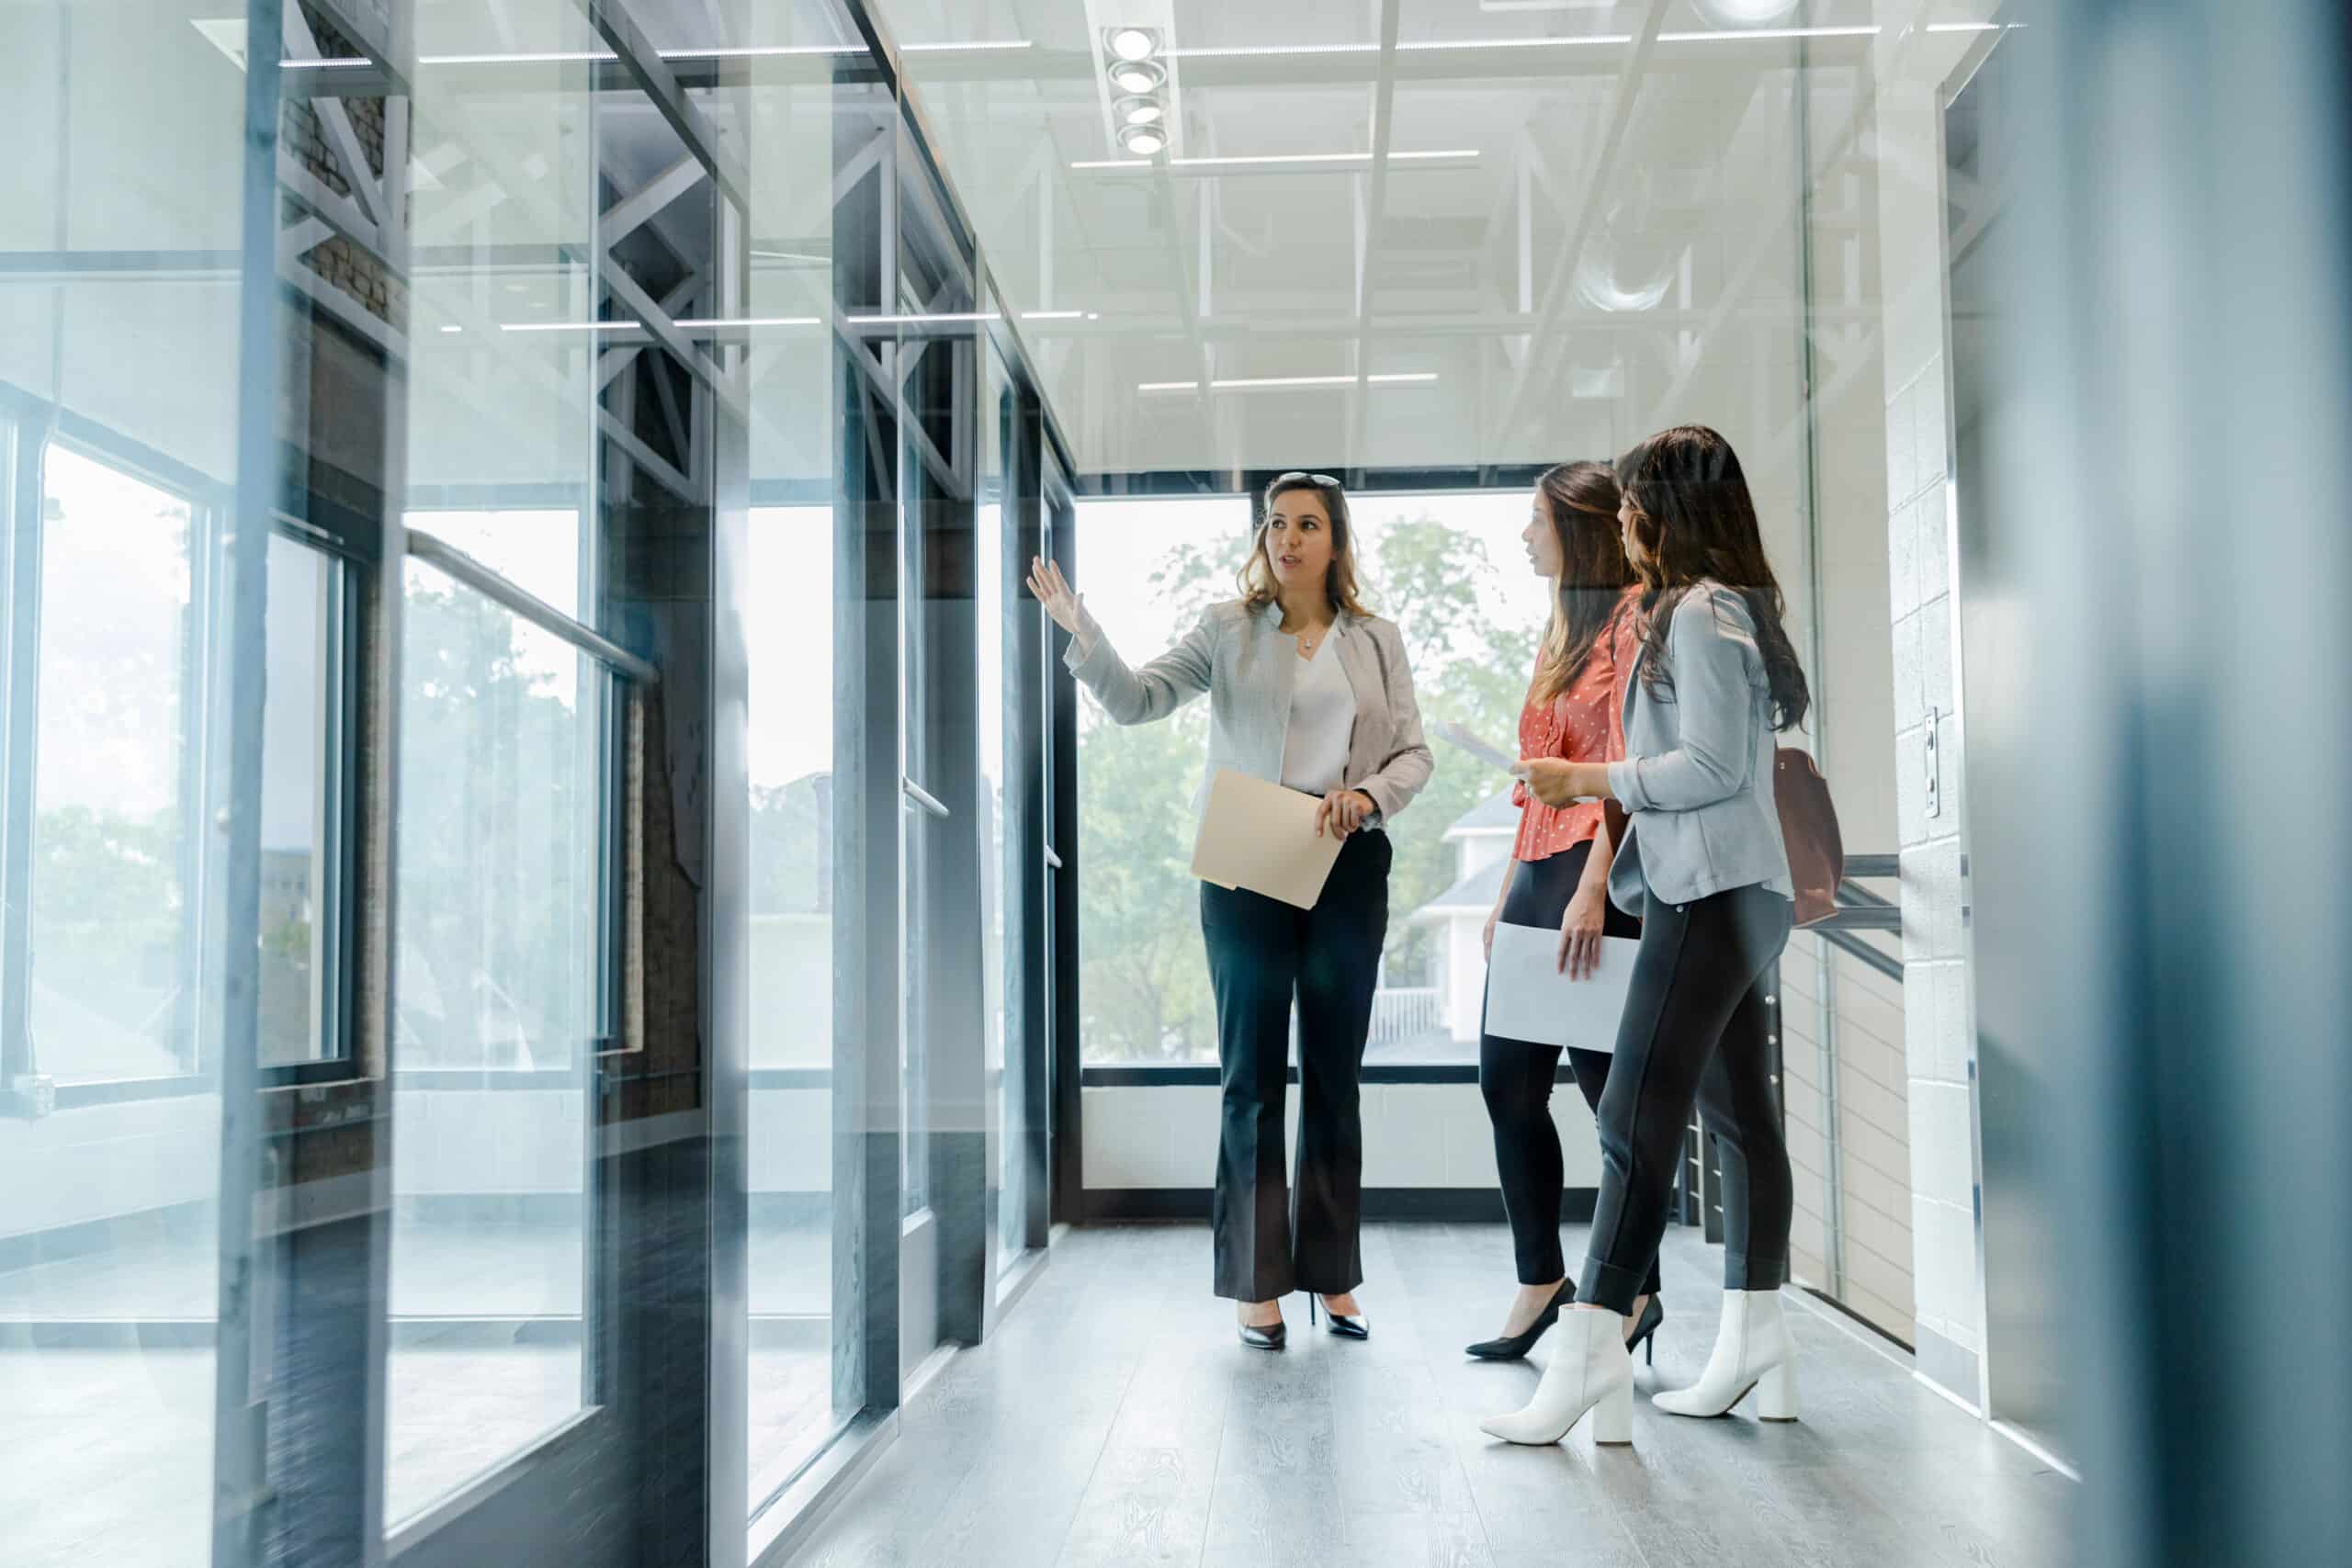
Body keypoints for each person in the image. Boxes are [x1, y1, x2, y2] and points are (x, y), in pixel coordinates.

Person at [1026, 471, 1433, 1350]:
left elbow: (1413, 754)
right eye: (1275, 523)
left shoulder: (1377, 639)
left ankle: (1333, 1274)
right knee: (1251, 1077)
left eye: (1307, 524)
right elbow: (1137, 700)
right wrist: (1082, 633)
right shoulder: (1226, 628)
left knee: (1334, 1078)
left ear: (1336, 540)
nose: (1287, 538)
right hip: (1248, 864)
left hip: (1347, 862)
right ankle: (1257, 1284)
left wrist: (1367, 796)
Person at [1480, 425, 1810, 1447]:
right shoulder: (1713, 608)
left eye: (1631, 502)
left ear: (1666, 510)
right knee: (1738, 1117)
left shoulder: (1699, 613)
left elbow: (1710, 767)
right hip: (1728, 890)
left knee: (1630, 1116)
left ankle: (1591, 1350)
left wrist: (1584, 779)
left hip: (1707, 894)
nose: (1623, 519)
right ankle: (1758, 1339)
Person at [1464, 462, 1663, 1365]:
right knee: (1505, 1083)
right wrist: (1506, 894)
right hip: (1535, 874)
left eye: (1535, 521)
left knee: (1603, 1095)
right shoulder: (1559, 631)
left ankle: (1637, 1287)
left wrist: (1593, 888)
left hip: (1596, 876)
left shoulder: (1631, 621)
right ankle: (1541, 1278)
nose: (1524, 536)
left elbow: (1620, 765)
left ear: (1576, 529)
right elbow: (1533, 783)